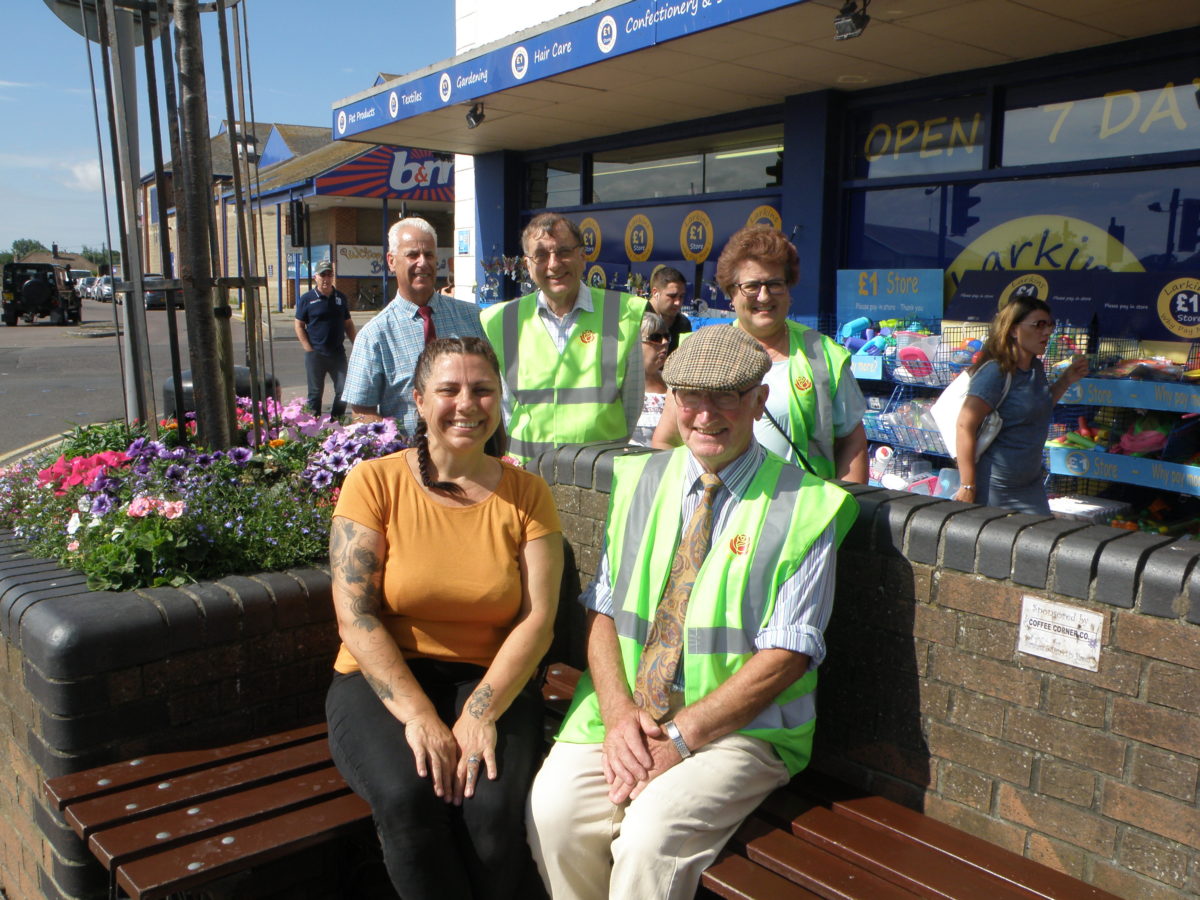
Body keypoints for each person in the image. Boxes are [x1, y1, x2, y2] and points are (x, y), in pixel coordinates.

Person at [527, 325, 857, 900]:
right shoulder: (636, 479)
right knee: (551, 815)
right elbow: (604, 609)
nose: (705, 415)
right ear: (671, 398)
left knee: (648, 840)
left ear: (759, 400)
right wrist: (617, 711)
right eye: (689, 396)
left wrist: (678, 738)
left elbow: (787, 657)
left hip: (743, 731)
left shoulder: (811, 505)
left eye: (725, 396)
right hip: (625, 709)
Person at [326, 336, 563, 900]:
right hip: (382, 679)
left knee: (492, 810)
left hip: (490, 678)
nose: (467, 404)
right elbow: (355, 615)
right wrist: (420, 717)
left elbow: (538, 619)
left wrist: (480, 712)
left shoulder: (528, 494)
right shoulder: (374, 482)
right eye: (449, 389)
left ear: (500, 400)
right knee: (409, 799)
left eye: (483, 390)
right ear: (418, 400)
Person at [652, 226, 868, 482]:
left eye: (774, 284)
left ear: (788, 290)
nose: (764, 296)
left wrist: (843, 514)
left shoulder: (823, 354)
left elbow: (852, 444)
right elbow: (666, 441)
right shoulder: (700, 352)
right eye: (751, 286)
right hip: (720, 510)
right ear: (731, 293)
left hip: (801, 512)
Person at [480, 213, 646, 465]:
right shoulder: (501, 320)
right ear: (527, 265)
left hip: (600, 476)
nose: (554, 264)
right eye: (541, 255)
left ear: (583, 256)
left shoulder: (622, 313)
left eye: (563, 251)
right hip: (526, 475)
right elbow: (504, 408)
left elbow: (631, 405)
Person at [343, 217, 484, 435]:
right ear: (391, 261)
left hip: (470, 454)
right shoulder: (374, 336)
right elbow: (362, 411)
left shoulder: (472, 317)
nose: (423, 263)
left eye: (429, 254)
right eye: (412, 255)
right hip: (410, 461)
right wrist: (396, 450)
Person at [953, 296, 1087, 514]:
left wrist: (1065, 381)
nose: (1047, 332)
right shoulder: (995, 372)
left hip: (1031, 486)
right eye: (1039, 325)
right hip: (995, 490)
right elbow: (964, 425)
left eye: (1049, 325)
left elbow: (1037, 409)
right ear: (1014, 330)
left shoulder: (1036, 368)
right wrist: (967, 486)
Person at [294, 259, 357, 418]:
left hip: (337, 354)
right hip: (316, 354)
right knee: (315, 394)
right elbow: (299, 325)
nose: (326, 279)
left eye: (329, 275)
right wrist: (309, 349)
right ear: (316, 277)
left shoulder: (340, 298)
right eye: (323, 275)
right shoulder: (307, 298)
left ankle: (336, 422)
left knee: (343, 391)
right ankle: (312, 427)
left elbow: (348, 324)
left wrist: (357, 344)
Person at [629, 309, 669, 447]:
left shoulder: (673, 384)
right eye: (655, 338)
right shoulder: (619, 384)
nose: (664, 342)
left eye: (667, 336)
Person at [648, 266, 691, 352]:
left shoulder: (683, 324)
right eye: (672, 296)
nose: (678, 302)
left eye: (681, 296)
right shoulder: (638, 317)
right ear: (655, 292)